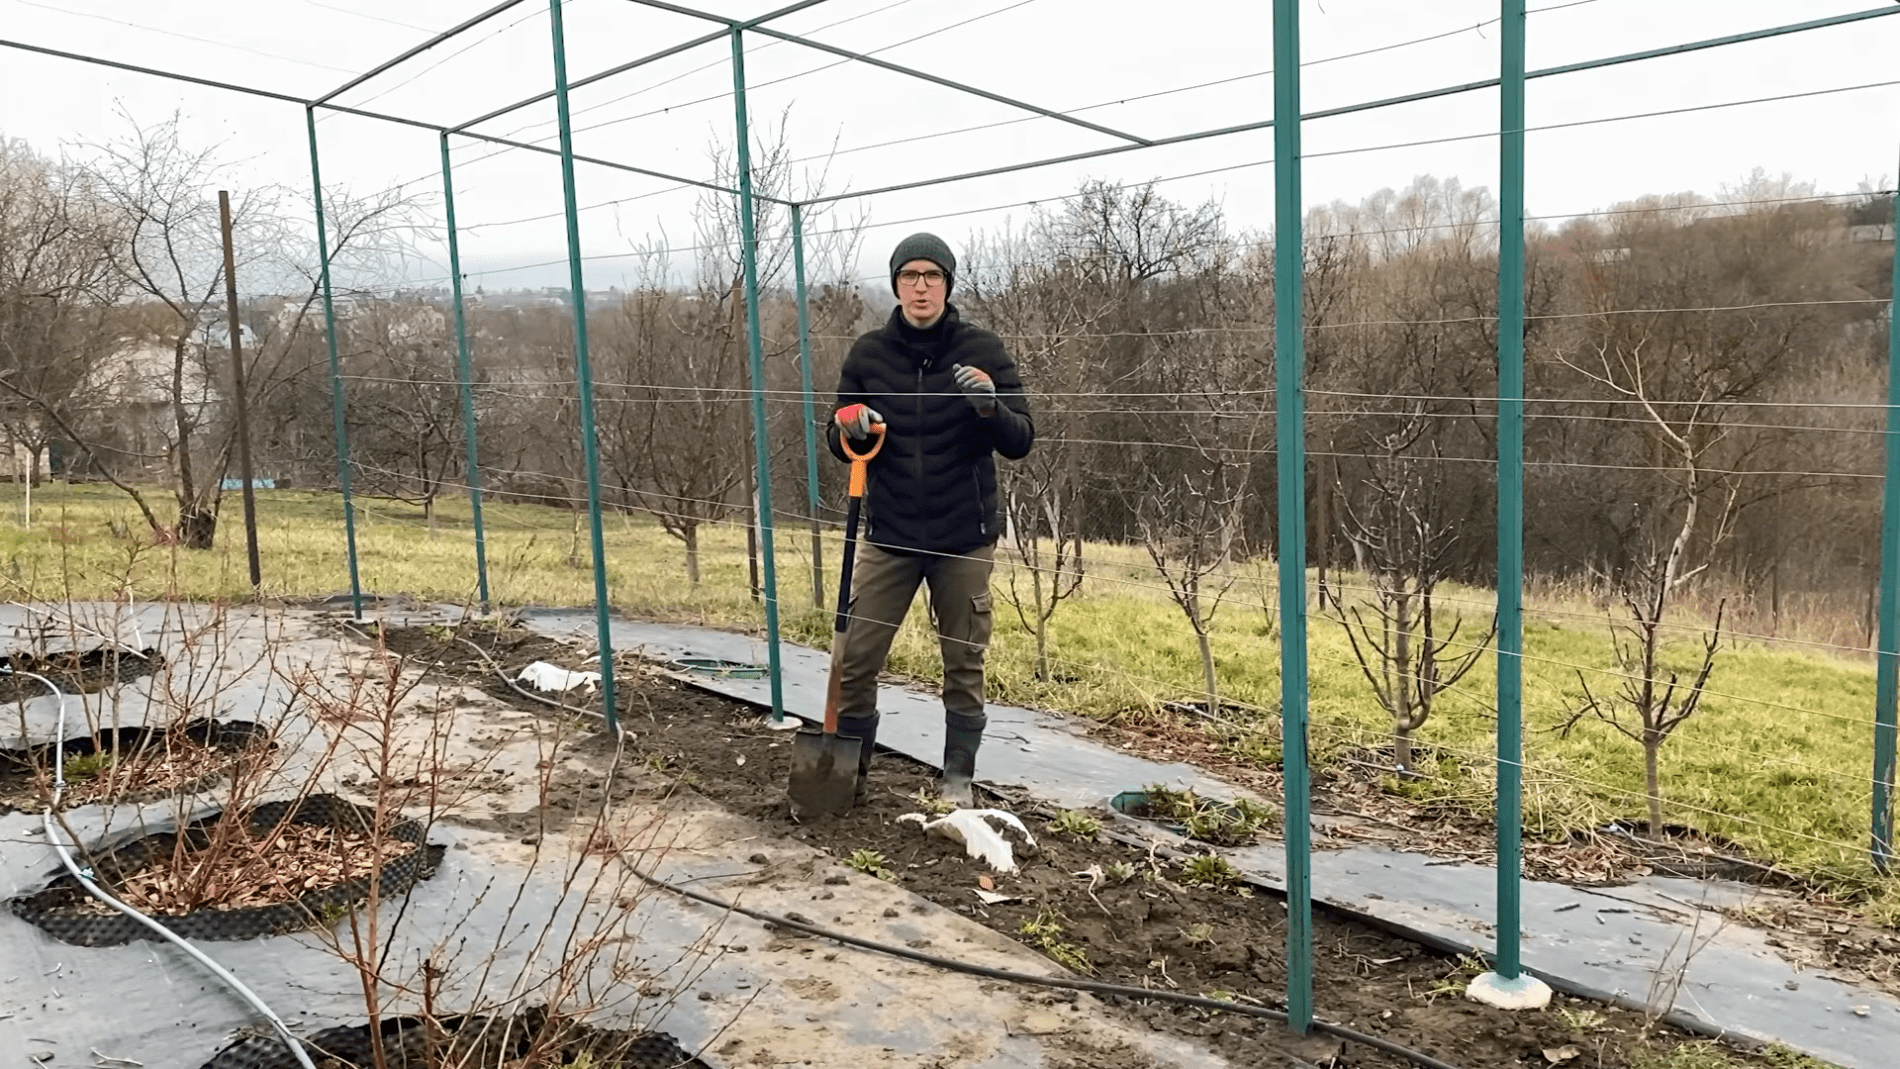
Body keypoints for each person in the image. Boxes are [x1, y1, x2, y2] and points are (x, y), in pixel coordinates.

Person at [825, 232, 1034, 806]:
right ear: (896, 284)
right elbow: (837, 436)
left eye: (933, 276)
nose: (922, 286)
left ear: (948, 283)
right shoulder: (868, 354)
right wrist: (851, 428)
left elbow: (1021, 441)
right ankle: (849, 772)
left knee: (963, 659)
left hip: (962, 537)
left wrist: (991, 406)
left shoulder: (983, 349)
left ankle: (957, 778)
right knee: (857, 656)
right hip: (889, 534)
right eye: (911, 275)